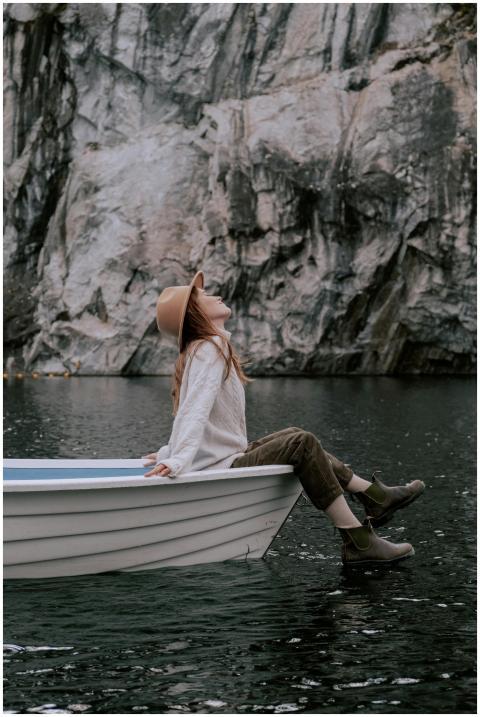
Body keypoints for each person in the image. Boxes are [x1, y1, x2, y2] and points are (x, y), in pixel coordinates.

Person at [142, 270, 425, 566]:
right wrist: (176, 458)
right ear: (195, 312)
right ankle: (357, 539)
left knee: (294, 435)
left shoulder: (203, 348)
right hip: (222, 461)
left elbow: (193, 408)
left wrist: (172, 451)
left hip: (224, 455)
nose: (215, 294)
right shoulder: (211, 347)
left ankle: (374, 496)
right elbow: (195, 408)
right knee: (301, 444)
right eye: (204, 296)